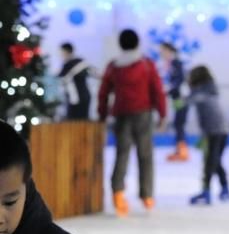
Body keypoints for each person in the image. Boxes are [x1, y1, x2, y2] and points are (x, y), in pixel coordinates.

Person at [97, 28, 167, 216]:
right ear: (138, 43)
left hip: (121, 115)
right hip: (143, 114)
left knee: (122, 154)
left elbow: (104, 92)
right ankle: (147, 195)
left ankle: (118, 192)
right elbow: (157, 90)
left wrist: (102, 114)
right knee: (145, 155)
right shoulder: (146, 64)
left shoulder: (114, 65)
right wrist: (162, 113)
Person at [186, 65, 229, 205]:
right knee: (215, 161)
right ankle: (224, 188)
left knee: (210, 161)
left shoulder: (200, 92)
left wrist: (176, 99)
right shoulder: (210, 90)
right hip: (222, 130)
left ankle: (206, 191)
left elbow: (184, 102)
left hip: (214, 132)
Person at [160, 42, 189, 162]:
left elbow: (180, 79)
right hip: (177, 99)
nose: (161, 53)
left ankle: (182, 151)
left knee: (179, 123)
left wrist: (169, 90)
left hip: (181, 98)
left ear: (169, 51)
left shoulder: (176, 62)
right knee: (178, 123)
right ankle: (179, 150)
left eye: (163, 51)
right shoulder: (173, 62)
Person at [57, 42, 96, 121]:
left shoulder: (74, 64)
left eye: (61, 52)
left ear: (66, 52)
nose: (60, 55)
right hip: (79, 98)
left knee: (77, 123)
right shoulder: (78, 62)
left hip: (78, 99)